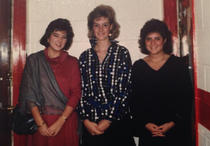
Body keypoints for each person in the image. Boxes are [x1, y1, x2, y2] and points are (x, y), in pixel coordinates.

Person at [76, 4, 135, 146]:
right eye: (96, 25)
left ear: (111, 28)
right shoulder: (85, 56)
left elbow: (125, 90)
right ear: (91, 28)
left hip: (117, 123)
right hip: (91, 125)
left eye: (105, 25)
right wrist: (85, 120)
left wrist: (108, 119)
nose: (101, 29)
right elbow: (81, 91)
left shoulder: (122, 53)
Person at [18, 18, 81, 146]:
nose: (60, 40)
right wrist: (40, 124)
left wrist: (60, 121)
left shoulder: (73, 62)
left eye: (64, 37)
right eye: (56, 35)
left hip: (66, 121)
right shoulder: (34, 61)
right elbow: (29, 95)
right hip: (40, 122)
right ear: (48, 37)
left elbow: (76, 94)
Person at [130, 19, 193, 146]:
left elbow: (186, 97)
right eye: (149, 39)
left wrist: (172, 123)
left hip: (175, 130)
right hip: (148, 130)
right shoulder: (138, 66)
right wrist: (145, 123)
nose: (153, 43)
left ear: (164, 40)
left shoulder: (178, 64)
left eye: (157, 38)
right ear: (144, 41)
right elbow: (133, 99)